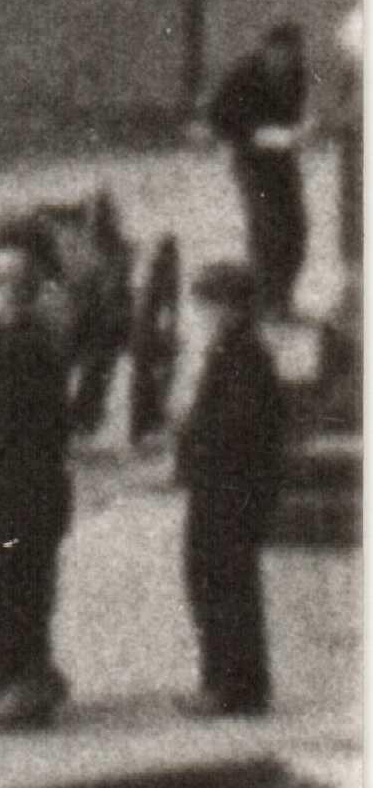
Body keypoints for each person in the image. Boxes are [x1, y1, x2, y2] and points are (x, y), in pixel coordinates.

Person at [0, 222, 82, 731]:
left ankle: (27, 678)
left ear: (20, 291)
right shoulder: (7, 335)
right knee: (3, 579)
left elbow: (6, 416)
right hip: (3, 485)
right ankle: (14, 670)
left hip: (19, 491)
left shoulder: (27, 343)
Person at [173, 256, 284, 724]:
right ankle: (222, 680)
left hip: (232, 492)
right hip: (219, 489)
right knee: (210, 581)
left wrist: (192, 433)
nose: (201, 314)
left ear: (232, 307)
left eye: (208, 304)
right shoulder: (231, 352)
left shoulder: (244, 357)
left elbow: (238, 429)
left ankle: (234, 686)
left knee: (224, 585)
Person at [205, 19, 319, 302]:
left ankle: (283, 294)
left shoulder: (297, 75)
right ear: (268, 50)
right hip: (251, 159)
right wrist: (256, 133)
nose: (286, 60)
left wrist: (298, 132)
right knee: (267, 225)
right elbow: (219, 116)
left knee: (296, 225)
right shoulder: (245, 75)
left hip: (283, 159)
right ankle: (267, 297)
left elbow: (295, 114)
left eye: (292, 54)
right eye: (281, 53)